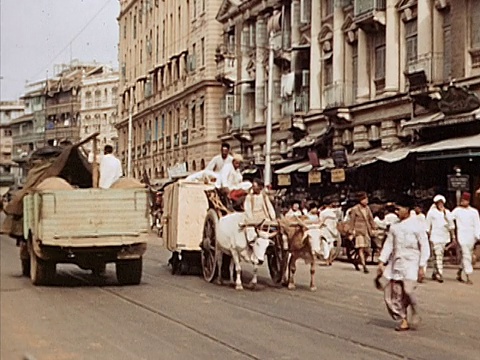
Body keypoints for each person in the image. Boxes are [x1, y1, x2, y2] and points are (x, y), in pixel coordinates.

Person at [377, 198, 430, 332]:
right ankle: (403, 319)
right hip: (397, 262)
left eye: (399, 209)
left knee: (408, 290)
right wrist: (382, 261)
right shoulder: (395, 227)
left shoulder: (417, 225)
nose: (397, 212)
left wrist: (422, 265)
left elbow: (424, 245)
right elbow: (389, 244)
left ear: (407, 210)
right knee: (394, 294)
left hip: (412, 262)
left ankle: (415, 309)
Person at [452, 192, 480, 285]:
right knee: (466, 254)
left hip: (471, 236)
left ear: (468, 201)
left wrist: (477, 236)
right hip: (462, 235)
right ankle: (467, 276)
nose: (463, 202)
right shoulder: (457, 210)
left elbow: (477, 224)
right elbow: (449, 218)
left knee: (467, 254)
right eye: (462, 200)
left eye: (465, 200)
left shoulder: (474, 212)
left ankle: (460, 271)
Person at [426, 194, 454, 283]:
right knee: (438, 254)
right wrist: (428, 235)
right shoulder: (431, 213)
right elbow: (427, 225)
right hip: (434, 236)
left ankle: (435, 272)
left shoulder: (447, 212)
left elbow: (451, 225)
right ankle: (440, 273)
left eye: (441, 202)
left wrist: (453, 237)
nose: (440, 204)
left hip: (444, 237)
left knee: (438, 255)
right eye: (439, 203)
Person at [349, 192, 376, 273]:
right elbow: (352, 221)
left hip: (367, 230)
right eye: (365, 199)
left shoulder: (367, 209)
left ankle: (357, 261)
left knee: (367, 250)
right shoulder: (355, 209)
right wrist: (351, 231)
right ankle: (364, 266)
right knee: (361, 248)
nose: (366, 201)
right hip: (358, 231)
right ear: (361, 200)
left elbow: (371, 219)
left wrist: (373, 227)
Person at [319, 196, 340, 265]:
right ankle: (330, 259)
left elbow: (320, 221)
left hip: (325, 229)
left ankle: (327, 260)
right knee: (331, 244)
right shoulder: (335, 213)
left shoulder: (323, 213)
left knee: (325, 244)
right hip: (333, 229)